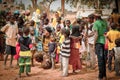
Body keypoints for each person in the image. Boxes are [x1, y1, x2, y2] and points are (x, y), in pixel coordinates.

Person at [93, 13, 107, 80]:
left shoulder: (96, 23)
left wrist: (93, 44)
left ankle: (100, 76)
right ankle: (104, 75)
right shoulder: (104, 22)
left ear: (95, 16)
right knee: (104, 59)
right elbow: (106, 32)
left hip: (98, 42)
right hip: (104, 41)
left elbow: (96, 34)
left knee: (100, 59)